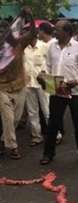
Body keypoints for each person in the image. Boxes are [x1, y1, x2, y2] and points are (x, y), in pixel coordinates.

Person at [40, 20, 78, 165]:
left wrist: (76, 81)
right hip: (56, 89)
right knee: (53, 123)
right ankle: (48, 154)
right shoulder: (51, 46)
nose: (54, 32)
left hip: (75, 91)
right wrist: (43, 75)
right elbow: (47, 65)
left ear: (67, 32)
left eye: (57, 29)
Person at [0, 7, 36, 159]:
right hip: (2, 88)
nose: (1, 34)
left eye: (3, 31)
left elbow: (33, 34)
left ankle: (3, 140)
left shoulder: (19, 43)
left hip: (20, 85)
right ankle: (12, 146)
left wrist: (30, 17)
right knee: (8, 118)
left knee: (16, 119)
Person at [24, 34, 49, 146]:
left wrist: (45, 72)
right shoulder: (23, 47)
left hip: (43, 82)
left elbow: (50, 63)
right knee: (32, 112)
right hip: (28, 83)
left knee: (47, 109)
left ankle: (56, 134)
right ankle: (36, 136)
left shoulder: (44, 46)